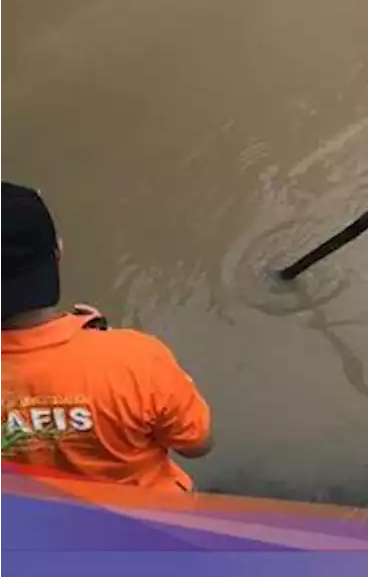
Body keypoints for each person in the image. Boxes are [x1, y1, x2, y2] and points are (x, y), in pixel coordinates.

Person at [0, 180, 213, 492]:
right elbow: (197, 444)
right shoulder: (136, 359)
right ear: (57, 251)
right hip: (154, 525)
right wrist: (104, 345)